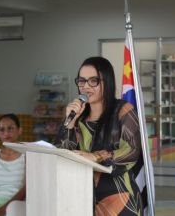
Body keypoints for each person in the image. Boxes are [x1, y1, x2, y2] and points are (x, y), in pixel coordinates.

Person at [55, 56, 143, 216]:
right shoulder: (78, 117)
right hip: (83, 199)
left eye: (93, 81)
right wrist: (69, 123)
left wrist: (97, 156)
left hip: (120, 199)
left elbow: (132, 150)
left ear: (106, 82)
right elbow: (62, 154)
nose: (86, 86)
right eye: (81, 81)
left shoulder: (123, 110)